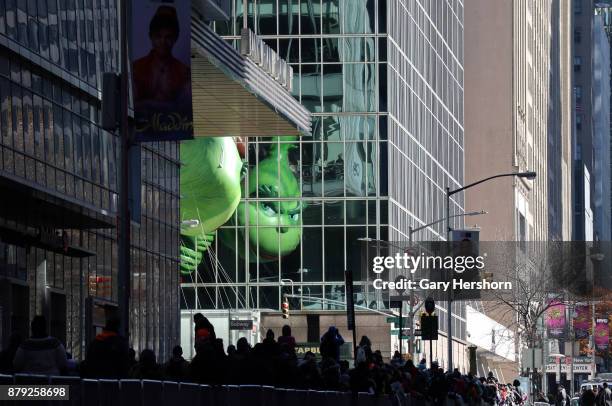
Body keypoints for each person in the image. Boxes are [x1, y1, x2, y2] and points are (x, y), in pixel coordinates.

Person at [132, 5, 191, 111]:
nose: (163, 42)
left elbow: (185, 109)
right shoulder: (136, 68)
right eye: (158, 36)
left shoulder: (184, 72)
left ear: (175, 38)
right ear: (151, 37)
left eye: (168, 37)